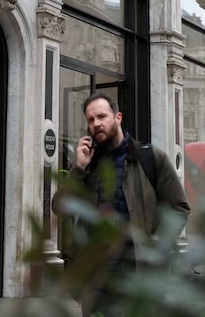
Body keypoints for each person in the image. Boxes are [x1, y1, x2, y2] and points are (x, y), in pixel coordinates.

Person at [52, 94, 190, 317]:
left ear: (117, 117)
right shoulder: (87, 164)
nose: (96, 123)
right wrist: (78, 168)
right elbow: (60, 207)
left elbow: (179, 207)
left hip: (139, 272)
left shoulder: (150, 158)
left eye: (101, 116)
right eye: (90, 119)